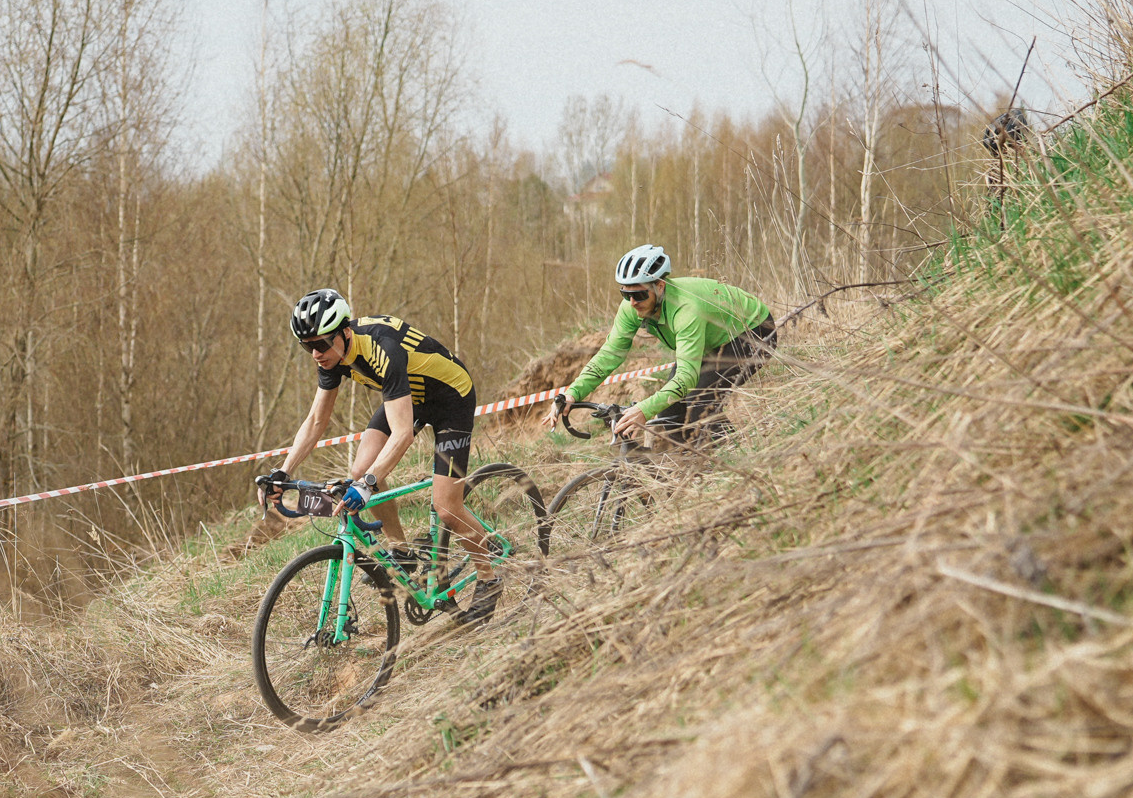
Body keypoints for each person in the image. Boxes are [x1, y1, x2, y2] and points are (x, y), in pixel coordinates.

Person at [265, 289, 501, 625]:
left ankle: (489, 578)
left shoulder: (381, 349)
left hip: (450, 398)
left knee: (447, 507)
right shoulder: (334, 354)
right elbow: (317, 420)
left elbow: (403, 434)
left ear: (345, 332)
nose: (315, 354)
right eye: (307, 347)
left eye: (320, 344)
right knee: (360, 466)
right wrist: (283, 471)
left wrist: (367, 485)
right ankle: (401, 550)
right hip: (411, 395)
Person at [550, 245, 777, 443]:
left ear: (659, 286)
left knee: (700, 403)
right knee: (670, 409)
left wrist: (644, 409)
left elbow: (686, 378)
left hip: (753, 331)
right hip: (712, 338)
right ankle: (695, 465)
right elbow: (610, 354)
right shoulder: (631, 306)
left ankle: (731, 463)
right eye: (624, 293)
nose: (632, 302)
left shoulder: (686, 310)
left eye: (639, 295)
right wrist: (573, 393)